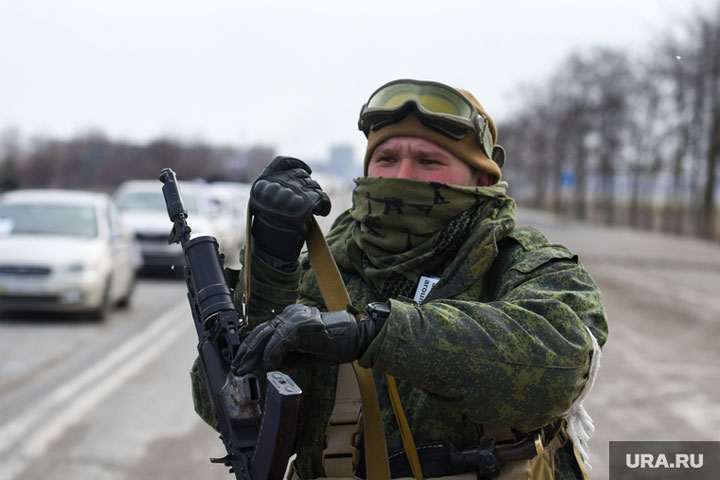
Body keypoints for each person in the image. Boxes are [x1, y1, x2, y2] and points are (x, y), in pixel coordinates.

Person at [191, 79, 608, 479]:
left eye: (429, 161)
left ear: (482, 179)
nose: (402, 175)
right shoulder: (321, 270)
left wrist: (372, 334)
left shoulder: (519, 261)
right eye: (387, 159)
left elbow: (561, 360)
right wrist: (269, 271)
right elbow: (234, 413)